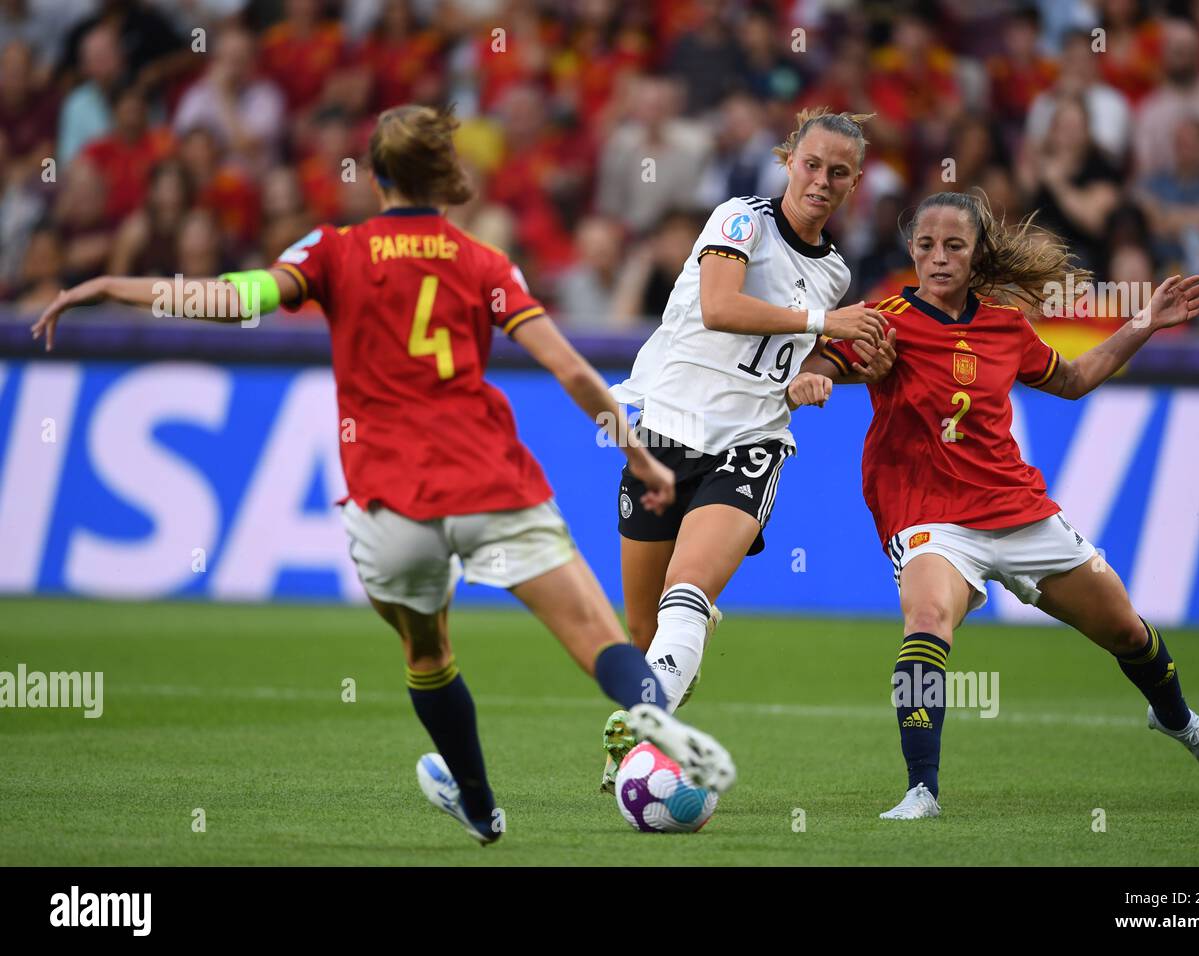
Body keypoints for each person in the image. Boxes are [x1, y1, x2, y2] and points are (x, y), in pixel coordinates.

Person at [30, 104, 736, 844]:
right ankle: (655, 725)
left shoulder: (332, 251)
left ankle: (480, 804)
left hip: (390, 502)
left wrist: (116, 285)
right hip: (492, 482)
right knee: (600, 639)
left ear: (375, 178)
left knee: (426, 652)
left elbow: (234, 301)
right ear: (447, 179)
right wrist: (637, 455)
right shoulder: (483, 263)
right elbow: (567, 366)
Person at [790, 189, 1199, 820]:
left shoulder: (1005, 327)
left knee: (1125, 630)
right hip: (929, 514)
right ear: (911, 251)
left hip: (1017, 508)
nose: (938, 258)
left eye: (954, 246)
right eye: (925, 246)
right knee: (926, 621)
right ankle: (923, 788)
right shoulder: (883, 320)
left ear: (977, 255)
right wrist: (813, 377)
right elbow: (822, 359)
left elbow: (1075, 381)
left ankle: (1177, 718)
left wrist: (1145, 322)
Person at [598, 107, 897, 792]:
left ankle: (639, 750)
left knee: (688, 587)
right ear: (789, 158)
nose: (822, 180)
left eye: (839, 173)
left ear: (854, 184)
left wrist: (828, 370)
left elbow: (786, 362)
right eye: (813, 164)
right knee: (643, 629)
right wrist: (828, 327)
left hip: (750, 445)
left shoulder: (834, 276)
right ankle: (669, 678)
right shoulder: (740, 220)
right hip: (663, 434)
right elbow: (720, 308)